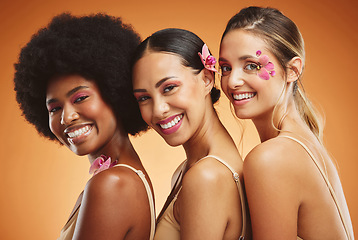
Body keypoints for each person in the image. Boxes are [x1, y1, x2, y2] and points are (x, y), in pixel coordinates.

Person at [14, 13, 155, 240]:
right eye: (54, 108)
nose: (66, 117)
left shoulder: (112, 185)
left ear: (114, 92)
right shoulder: (121, 176)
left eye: (80, 98)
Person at [219, 6, 354, 239]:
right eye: (226, 68)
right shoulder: (304, 143)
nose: (232, 81)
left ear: (292, 70)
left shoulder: (271, 159)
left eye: (251, 65)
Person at [132, 28, 250, 240]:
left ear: (206, 79)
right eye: (143, 98)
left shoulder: (206, 177)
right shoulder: (191, 169)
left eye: (169, 88)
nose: (158, 109)